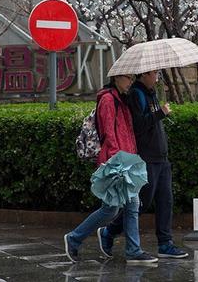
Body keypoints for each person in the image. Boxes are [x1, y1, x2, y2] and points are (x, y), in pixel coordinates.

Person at [64, 75, 158, 264]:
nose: (131, 81)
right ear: (116, 78)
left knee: (132, 206)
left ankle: (133, 250)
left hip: (128, 160)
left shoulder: (122, 99)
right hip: (116, 162)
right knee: (111, 209)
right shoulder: (108, 99)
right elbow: (109, 133)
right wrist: (118, 160)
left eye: (132, 78)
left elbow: (128, 132)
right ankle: (73, 238)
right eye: (128, 78)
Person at [98, 70, 188, 259]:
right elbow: (138, 125)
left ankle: (165, 243)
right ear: (145, 74)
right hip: (147, 157)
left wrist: (159, 112)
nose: (157, 77)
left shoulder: (151, 92)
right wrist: (160, 114)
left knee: (166, 201)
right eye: (155, 73)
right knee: (142, 203)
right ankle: (109, 232)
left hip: (161, 157)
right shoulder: (136, 94)